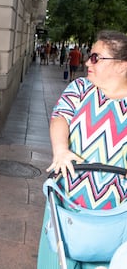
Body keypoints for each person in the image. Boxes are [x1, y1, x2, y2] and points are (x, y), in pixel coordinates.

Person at [38, 30, 127, 268]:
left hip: (114, 210)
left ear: (121, 66)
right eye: (90, 56)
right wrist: (60, 150)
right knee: (59, 260)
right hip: (69, 199)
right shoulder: (80, 88)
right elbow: (60, 118)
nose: (88, 61)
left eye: (97, 57)